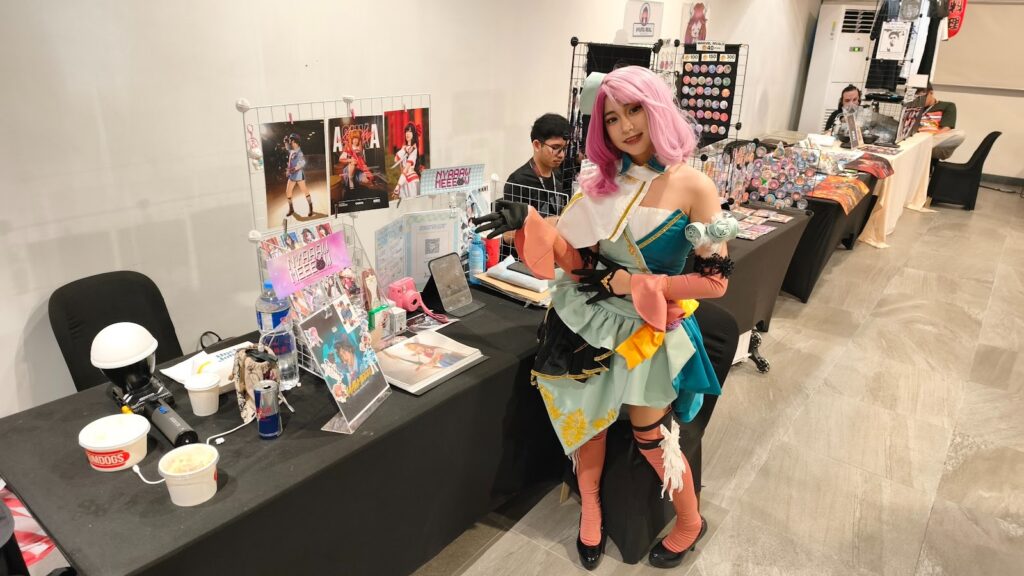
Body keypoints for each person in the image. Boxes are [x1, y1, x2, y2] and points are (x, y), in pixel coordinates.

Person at [473, 66, 733, 571]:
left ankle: (690, 520)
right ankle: (589, 510)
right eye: (612, 118)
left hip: (648, 329)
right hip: (589, 317)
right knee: (587, 424)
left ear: (657, 107)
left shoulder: (694, 186)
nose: (625, 126)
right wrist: (528, 224)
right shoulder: (602, 181)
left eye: (634, 110)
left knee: (650, 435)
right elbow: (580, 263)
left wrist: (635, 284)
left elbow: (715, 282)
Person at [504, 113, 572, 217]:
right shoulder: (518, 182)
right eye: (555, 148)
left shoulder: (558, 175)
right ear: (537, 145)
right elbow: (512, 227)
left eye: (564, 148)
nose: (562, 155)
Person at [919, 83, 964, 160]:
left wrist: (927, 140)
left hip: (935, 146)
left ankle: (920, 146)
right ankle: (919, 146)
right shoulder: (914, 107)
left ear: (931, 93)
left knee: (960, 134)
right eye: (917, 98)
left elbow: (946, 129)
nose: (920, 100)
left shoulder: (947, 105)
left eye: (922, 97)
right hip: (917, 139)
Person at [284, 133, 314, 218]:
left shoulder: (299, 152)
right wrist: (285, 142)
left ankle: (311, 207)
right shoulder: (292, 150)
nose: (290, 142)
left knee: (305, 191)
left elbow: (303, 162)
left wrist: (294, 169)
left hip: (299, 175)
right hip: (292, 175)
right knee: (288, 192)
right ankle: (291, 209)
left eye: (290, 141)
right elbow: (287, 148)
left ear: (294, 141)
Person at [393, 122, 422, 199]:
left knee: (414, 203)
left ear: (414, 134)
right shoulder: (404, 148)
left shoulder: (414, 149)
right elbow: (396, 159)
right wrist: (405, 149)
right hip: (404, 180)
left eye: (410, 131)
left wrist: (398, 185)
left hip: (411, 181)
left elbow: (406, 169)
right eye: (406, 131)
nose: (407, 133)